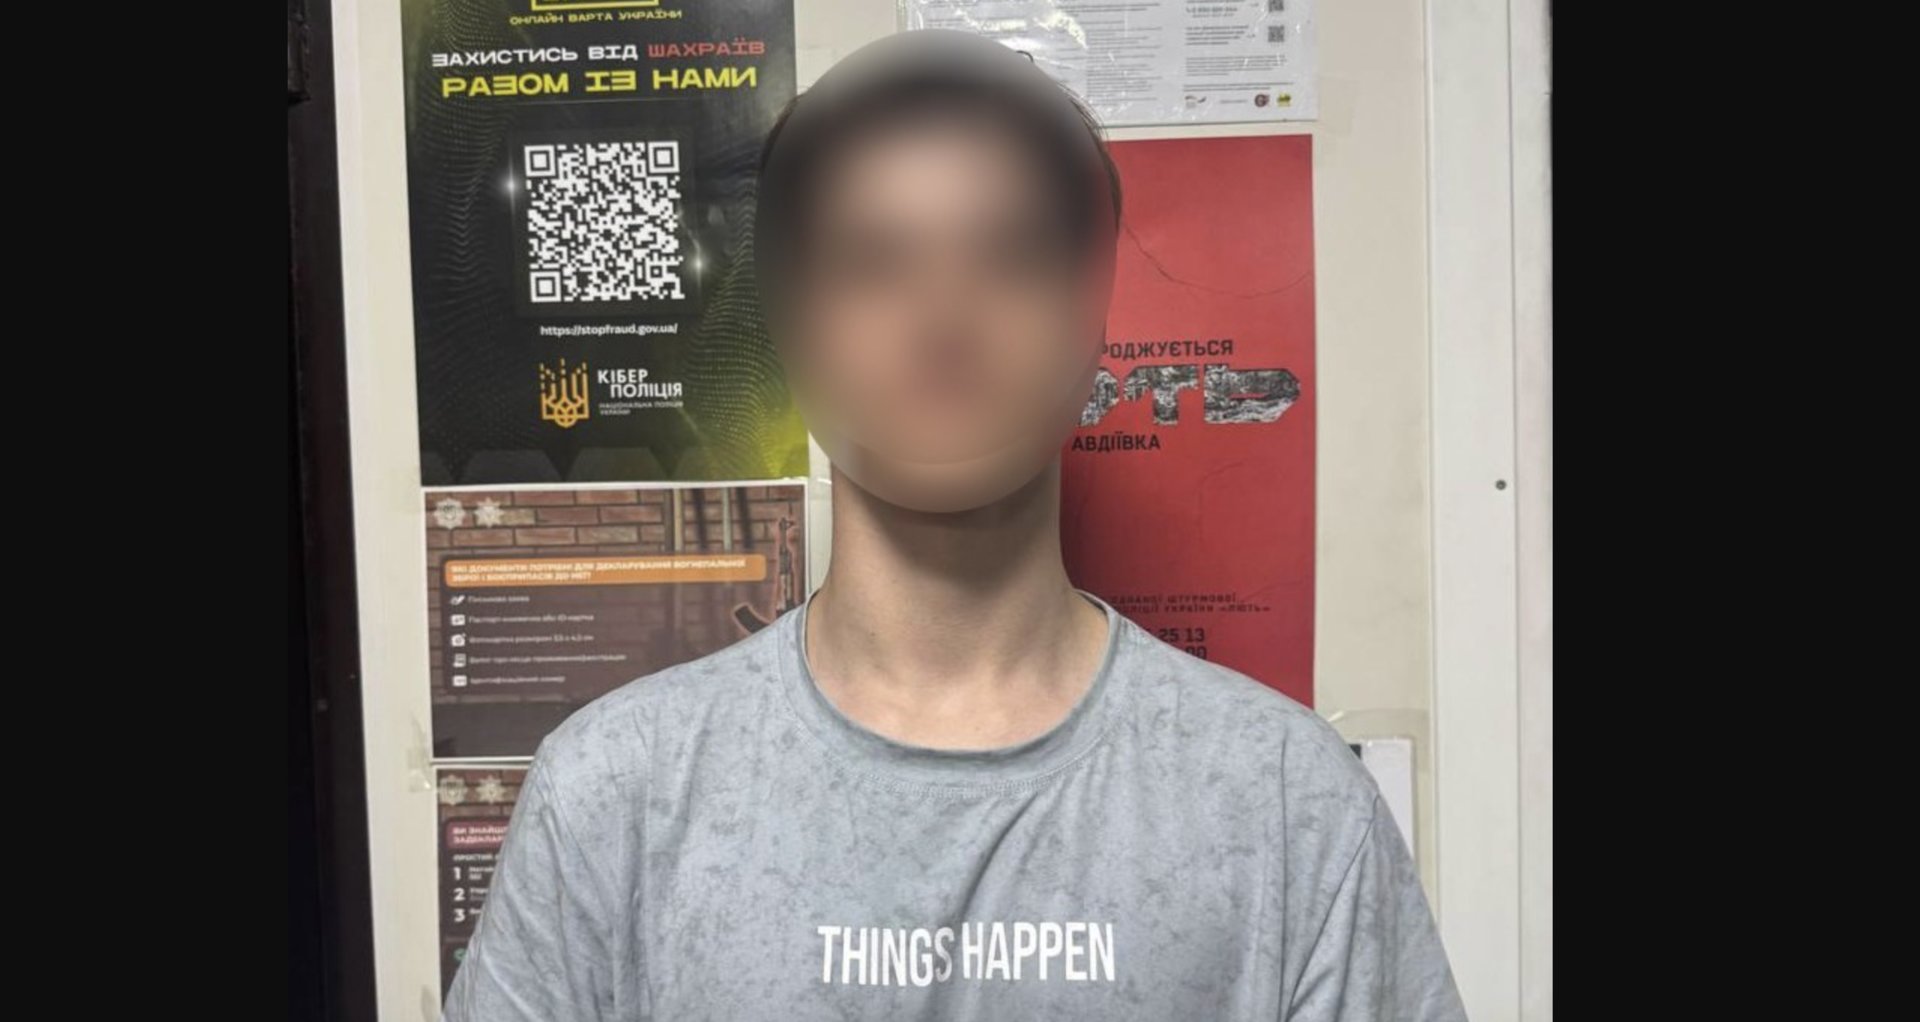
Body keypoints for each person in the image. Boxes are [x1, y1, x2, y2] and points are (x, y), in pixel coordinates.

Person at [443, 29, 1468, 1022]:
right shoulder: (615, 794)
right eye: (873, 263)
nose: (943, 318)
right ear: (791, 324)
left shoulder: (1284, 798)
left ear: (1092, 314)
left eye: (1010, 257)